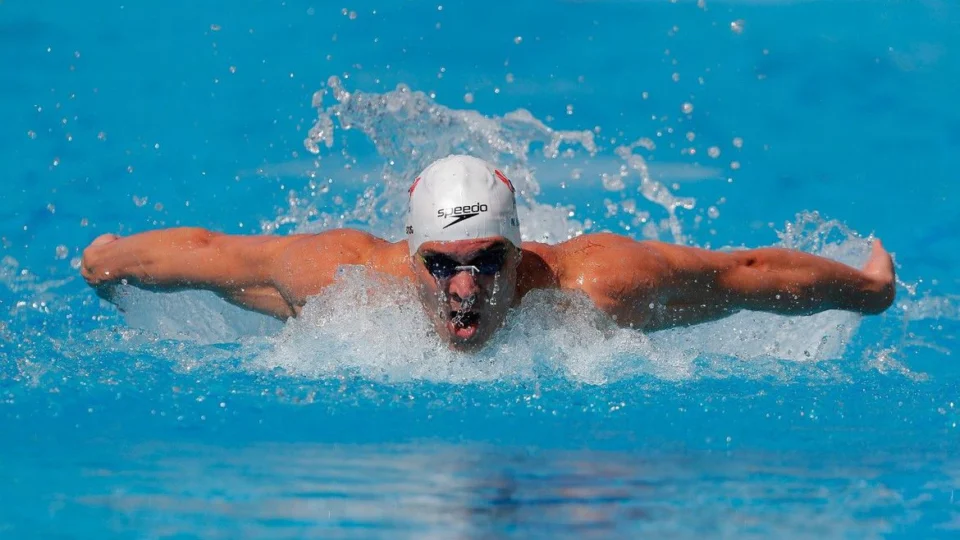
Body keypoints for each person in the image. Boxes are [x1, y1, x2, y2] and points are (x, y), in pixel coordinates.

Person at [81, 155, 896, 351]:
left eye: (487, 262)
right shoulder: (342, 278)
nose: (463, 288)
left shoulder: (596, 283)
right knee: (257, 289)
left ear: (519, 252)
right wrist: (109, 261)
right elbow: (210, 251)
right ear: (411, 255)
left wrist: (866, 292)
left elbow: (744, 275)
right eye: (440, 264)